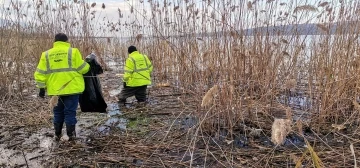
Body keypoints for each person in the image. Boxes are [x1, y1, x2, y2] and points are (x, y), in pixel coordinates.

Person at [34, 33, 90, 141]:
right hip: (72, 89)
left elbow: (39, 73)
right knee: (70, 112)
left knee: (57, 112)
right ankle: (71, 136)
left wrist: (41, 88)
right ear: (66, 41)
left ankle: (57, 134)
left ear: (55, 41)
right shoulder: (73, 52)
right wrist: (89, 65)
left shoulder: (46, 54)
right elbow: (82, 68)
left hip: (55, 91)